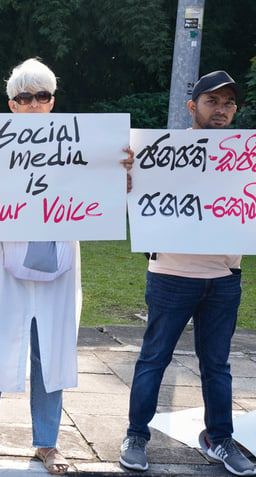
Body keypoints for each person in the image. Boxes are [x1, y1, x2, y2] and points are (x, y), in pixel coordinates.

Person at [0, 58, 131, 475]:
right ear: (12, 104)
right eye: (24, 97)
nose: (33, 104)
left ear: (53, 101)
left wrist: (118, 172)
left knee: (50, 348)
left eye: (42, 96)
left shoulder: (80, 144)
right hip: (2, 260)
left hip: (59, 261)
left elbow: (103, 204)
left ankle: (48, 442)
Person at [119, 71, 256, 477]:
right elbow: (131, 194)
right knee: (153, 359)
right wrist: (127, 175)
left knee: (217, 364)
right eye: (212, 101)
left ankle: (219, 439)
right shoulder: (160, 151)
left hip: (223, 276)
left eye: (229, 103)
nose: (222, 109)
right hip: (171, 274)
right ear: (192, 106)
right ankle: (136, 436)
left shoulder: (245, 155)